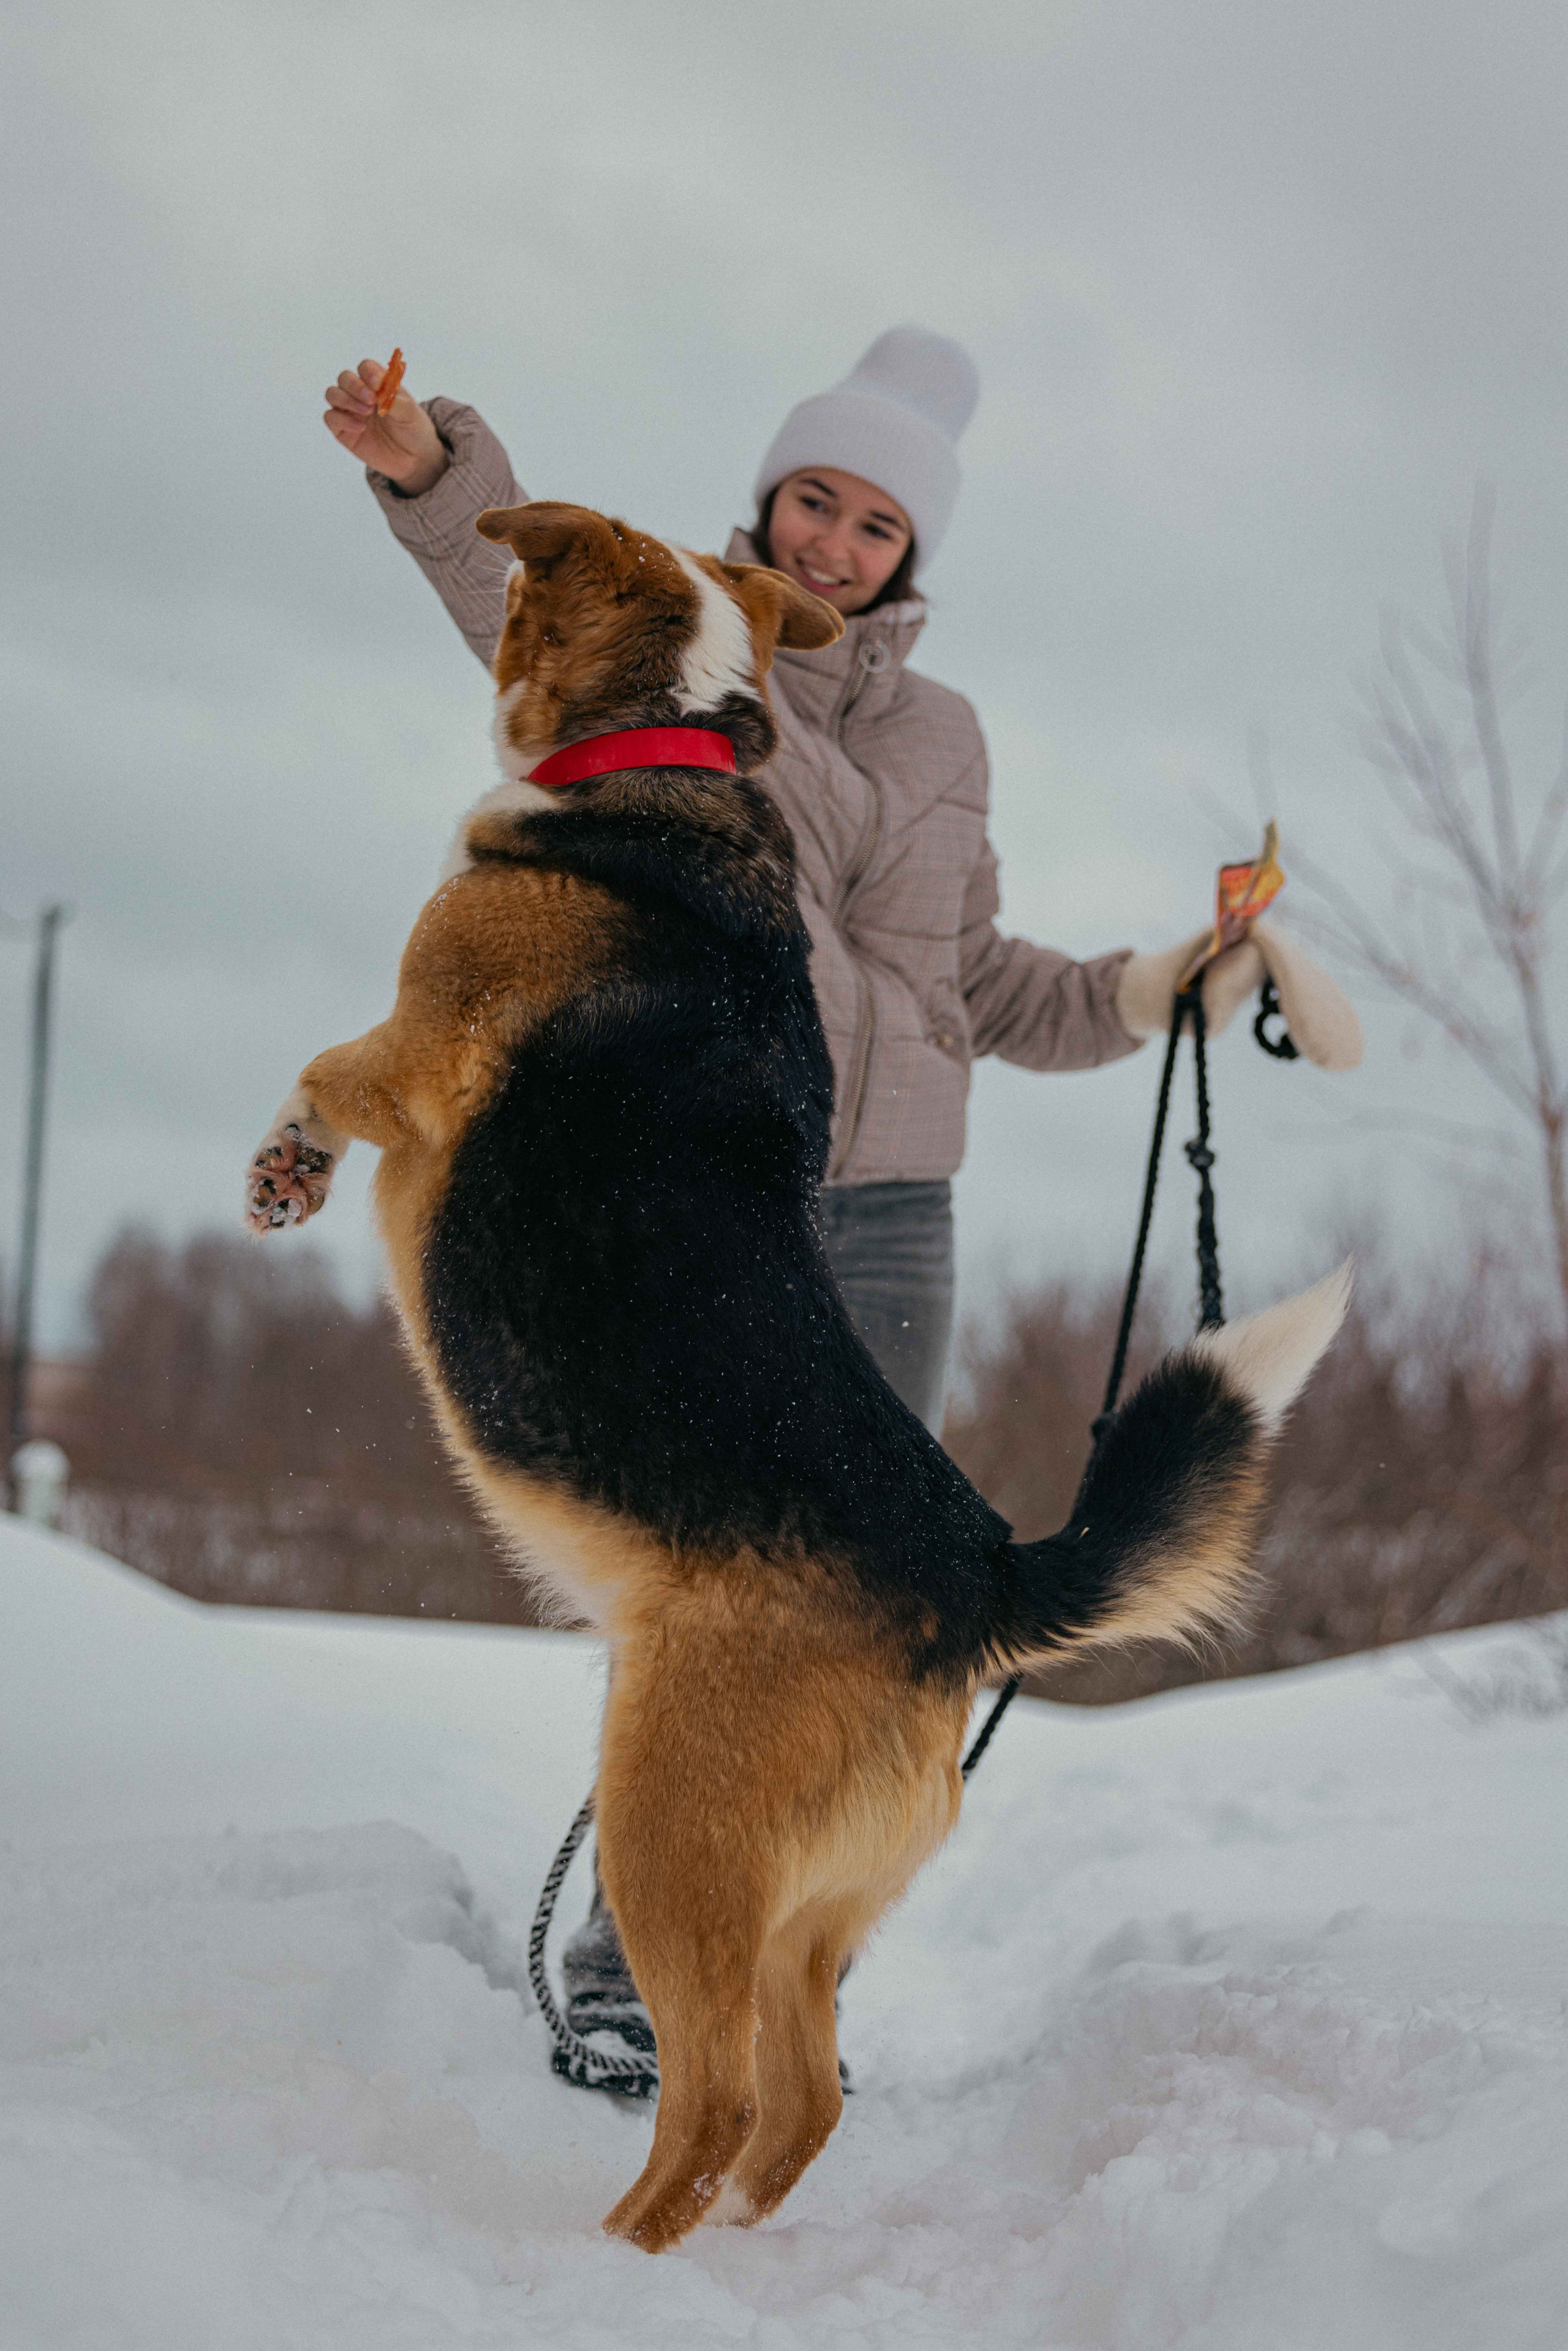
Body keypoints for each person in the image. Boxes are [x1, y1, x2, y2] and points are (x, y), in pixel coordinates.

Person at [321, 326, 1288, 2086]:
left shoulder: (949, 736)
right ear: (772, 498)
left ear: (915, 558)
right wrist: (423, 465)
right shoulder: (682, 640)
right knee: (705, 1593)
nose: (834, 544)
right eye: (815, 502)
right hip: (701, 1188)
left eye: (874, 528)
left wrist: (1163, 988)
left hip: (895, 1213)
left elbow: (979, 981)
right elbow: (509, 594)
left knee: (835, 1606)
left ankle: (762, 1952)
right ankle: (638, 1971)